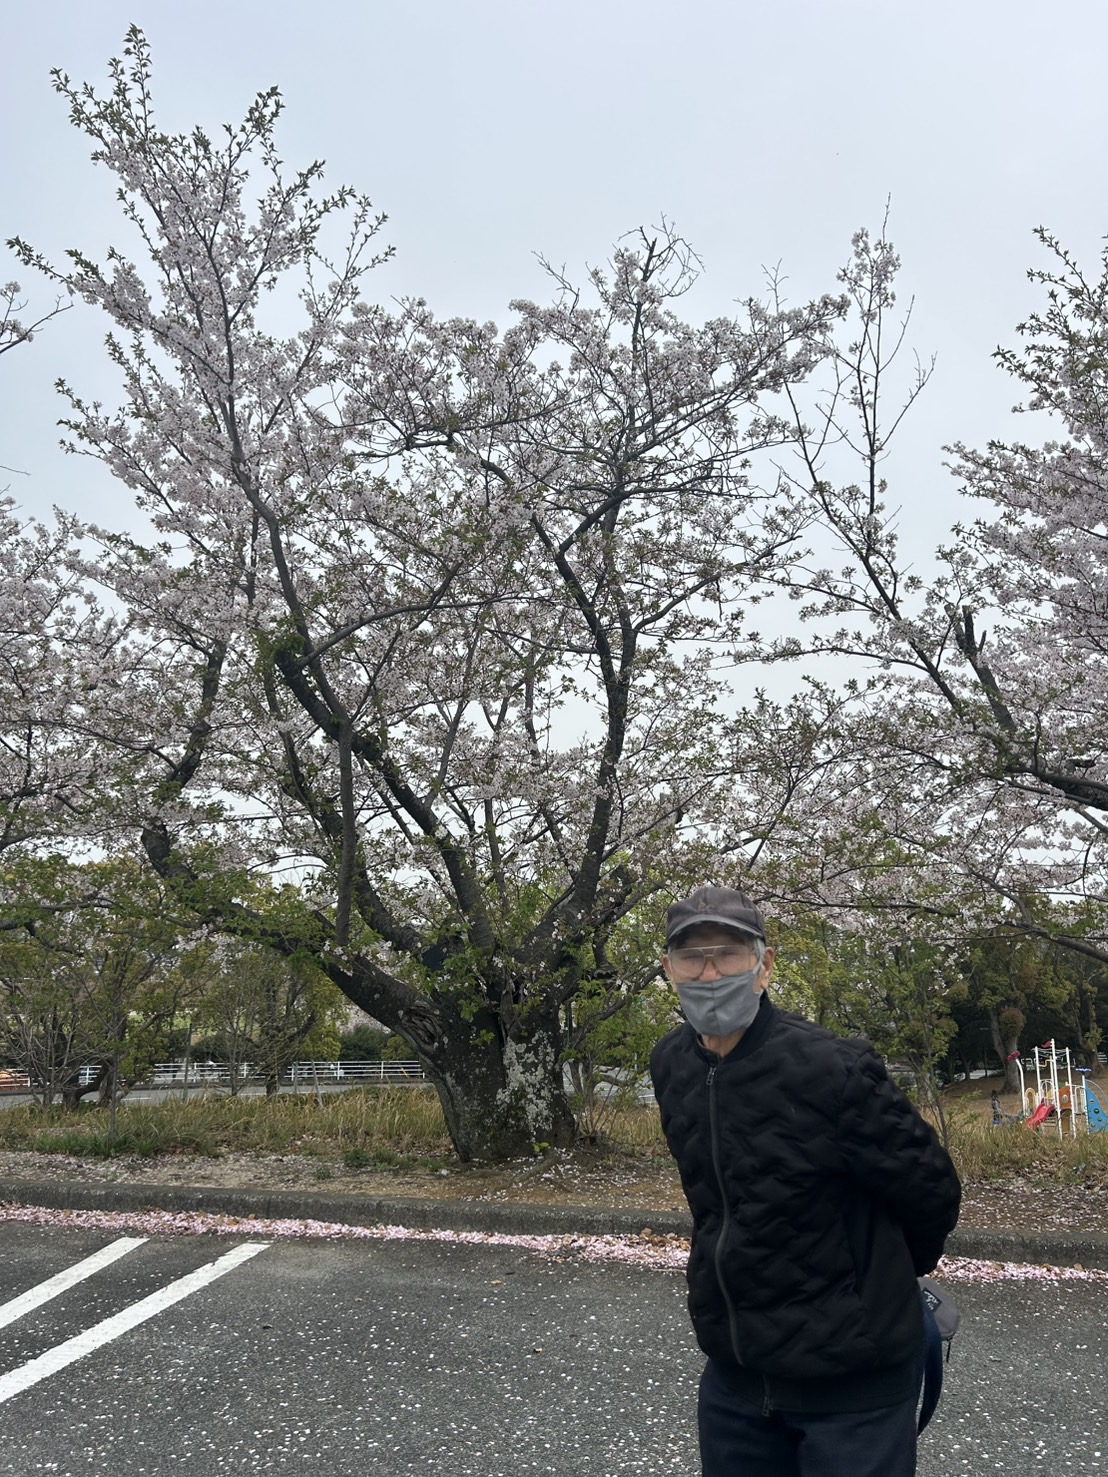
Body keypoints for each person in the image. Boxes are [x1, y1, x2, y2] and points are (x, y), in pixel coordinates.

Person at [650, 884, 961, 1477]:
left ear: (764, 966)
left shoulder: (833, 1068)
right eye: (692, 957)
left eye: (729, 954)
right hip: (736, 1374)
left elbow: (931, 1188)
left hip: (853, 1384)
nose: (710, 973)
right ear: (669, 971)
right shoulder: (671, 1064)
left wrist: (878, 1276)